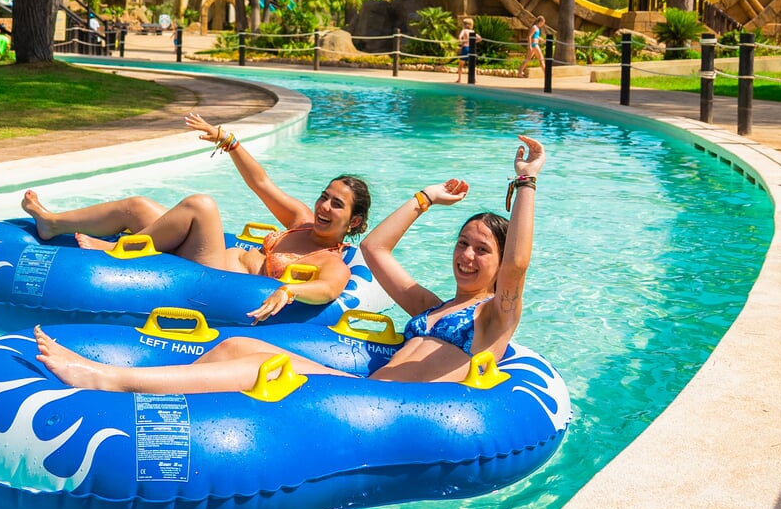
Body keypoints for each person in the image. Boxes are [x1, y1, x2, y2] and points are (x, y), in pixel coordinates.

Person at [34, 135, 544, 392]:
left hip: (396, 408)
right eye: (463, 243)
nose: (467, 255)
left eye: (482, 250)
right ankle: (137, 389)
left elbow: (519, 261)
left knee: (263, 363)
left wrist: (524, 182)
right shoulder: (433, 306)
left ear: (500, 268)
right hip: (367, 392)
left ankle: (109, 379)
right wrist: (425, 198)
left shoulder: (493, 316)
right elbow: (376, 250)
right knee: (236, 343)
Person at [21, 112, 370, 321]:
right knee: (138, 206)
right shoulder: (301, 221)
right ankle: (53, 223)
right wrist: (229, 140)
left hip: (214, 279)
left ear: (353, 222)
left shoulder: (332, 261)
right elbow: (260, 182)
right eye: (324, 197)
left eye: (337, 205)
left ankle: (119, 249)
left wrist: (290, 291)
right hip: (208, 256)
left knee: (202, 205)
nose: (324, 207)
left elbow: (327, 289)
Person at [455, 16, 476, 83]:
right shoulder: (473, 31)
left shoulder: (464, 31)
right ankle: (474, 79)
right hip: (471, 48)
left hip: (465, 48)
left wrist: (462, 41)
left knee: (461, 65)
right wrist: (474, 41)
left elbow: (460, 37)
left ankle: (459, 79)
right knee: (472, 64)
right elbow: (479, 38)